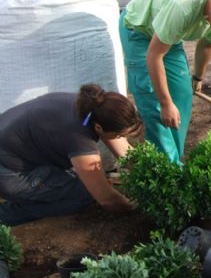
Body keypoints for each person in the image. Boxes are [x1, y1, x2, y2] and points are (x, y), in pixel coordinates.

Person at [119, 0, 211, 164]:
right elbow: (154, 56)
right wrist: (165, 104)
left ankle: (174, 154)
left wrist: (198, 78)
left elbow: (207, 45)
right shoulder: (182, 8)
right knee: (153, 98)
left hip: (168, 35)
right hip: (139, 29)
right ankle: (166, 166)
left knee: (182, 93)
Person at [0, 84, 142, 226]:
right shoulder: (79, 140)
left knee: (77, 179)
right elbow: (106, 199)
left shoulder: (90, 108)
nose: (121, 138)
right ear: (98, 127)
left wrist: (146, 171)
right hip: (9, 173)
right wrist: (132, 207)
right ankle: (6, 214)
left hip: (14, 151)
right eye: (119, 135)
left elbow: (125, 153)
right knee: (83, 194)